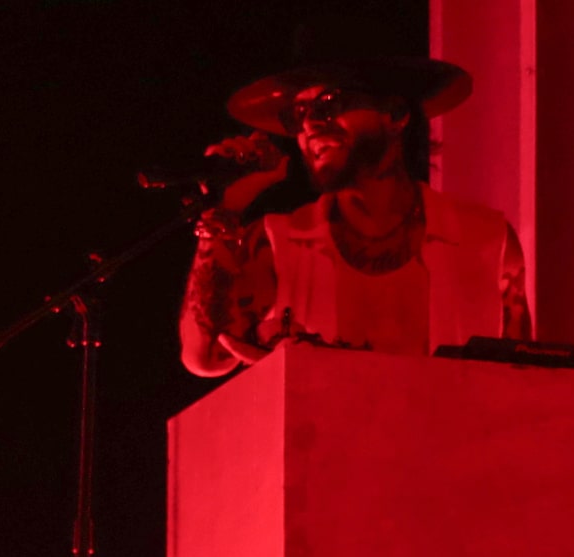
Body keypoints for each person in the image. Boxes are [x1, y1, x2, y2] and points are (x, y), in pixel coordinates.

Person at [180, 44, 528, 377]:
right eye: (297, 114)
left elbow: (525, 383)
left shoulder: (487, 240)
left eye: (329, 103)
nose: (310, 125)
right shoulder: (278, 245)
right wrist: (226, 208)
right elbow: (208, 358)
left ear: (395, 114)